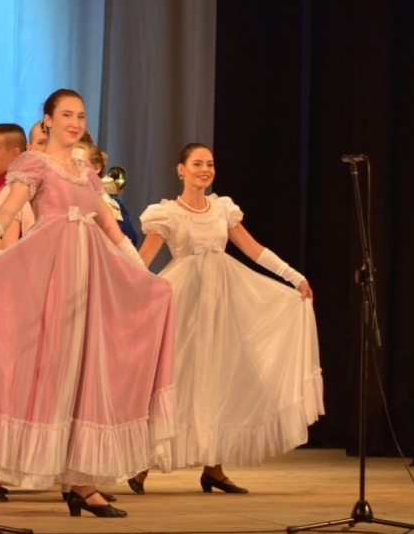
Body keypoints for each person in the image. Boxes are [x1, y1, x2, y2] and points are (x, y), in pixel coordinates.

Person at [0, 88, 176, 518]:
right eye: (66, 114)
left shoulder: (85, 171)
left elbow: (113, 231)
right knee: (38, 371)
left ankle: (81, 484)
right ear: (48, 120)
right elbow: (4, 215)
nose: (75, 122)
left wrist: (144, 275)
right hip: (46, 276)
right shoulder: (34, 164)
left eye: (81, 116)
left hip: (90, 280)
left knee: (84, 373)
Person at [130, 143, 321, 494]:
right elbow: (143, 260)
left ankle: (213, 467)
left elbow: (253, 249)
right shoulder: (167, 214)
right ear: (181, 169)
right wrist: (119, 285)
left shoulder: (222, 209)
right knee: (176, 376)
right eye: (197, 163)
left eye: (210, 164)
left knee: (215, 378)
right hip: (184, 302)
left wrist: (294, 277)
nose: (205, 169)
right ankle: (143, 462)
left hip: (220, 303)